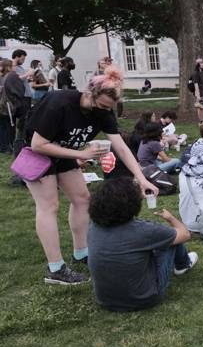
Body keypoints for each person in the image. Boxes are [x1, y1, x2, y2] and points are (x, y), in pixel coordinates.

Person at [24, 66, 159, 285]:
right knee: (49, 206)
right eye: (103, 105)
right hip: (36, 153)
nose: (105, 111)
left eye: (110, 107)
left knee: (82, 199)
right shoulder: (59, 103)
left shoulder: (103, 112)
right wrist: (80, 154)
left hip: (65, 151)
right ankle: (55, 269)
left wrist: (141, 178)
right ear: (90, 93)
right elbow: (38, 144)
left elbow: (122, 148)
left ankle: (81, 252)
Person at [88, 178, 197, 311]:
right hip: (144, 299)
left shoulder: (93, 227)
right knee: (170, 240)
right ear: (132, 204)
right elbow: (185, 234)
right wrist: (170, 218)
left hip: (105, 300)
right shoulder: (143, 230)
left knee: (162, 239)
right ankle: (183, 265)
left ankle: (182, 263)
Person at [191, 58, 203, 124]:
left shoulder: (202, 72)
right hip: (200, 93)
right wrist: (198, 96)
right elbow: (196, 85)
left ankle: (202, 120)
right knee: (201, 107)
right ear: (197, 64)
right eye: (201, 63)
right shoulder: (195, 73)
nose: (202, 64)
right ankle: (201, 121)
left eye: (202, 62)